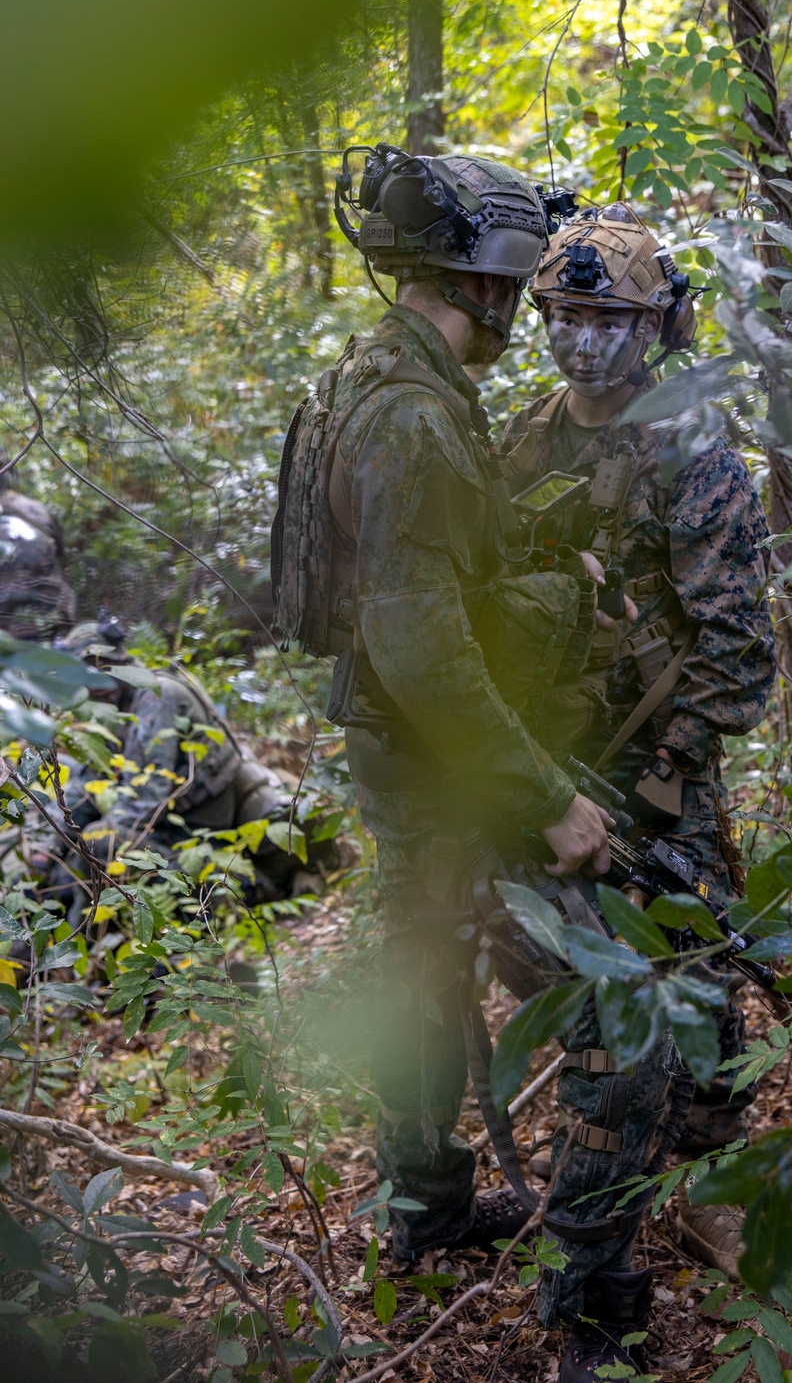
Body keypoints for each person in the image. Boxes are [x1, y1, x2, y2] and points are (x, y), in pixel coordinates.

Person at [270, 149, 614, 1285]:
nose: (518, 305)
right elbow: (422, 645)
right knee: (479, 976)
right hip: (426, 751)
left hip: (398, 737)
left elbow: (427, 580)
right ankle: (452, 1214)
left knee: (423, 971)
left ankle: (423, 1206)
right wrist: (547, 795)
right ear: (483, 280)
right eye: (513, 282)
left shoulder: (373, 380)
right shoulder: (410, 417)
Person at [500, 203, 777, 1375]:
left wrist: (663, 781)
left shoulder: (693, 448)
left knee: (703, 979)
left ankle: (713, 1185)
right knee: (612, 1032)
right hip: (546, 774)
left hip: (660, 776)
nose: (580, 342)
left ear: (655, 324)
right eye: (562, 315)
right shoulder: (521, 441)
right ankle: (592, 1290)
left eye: (605, 318)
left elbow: (738, 651)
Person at [33, 616, 305, 904]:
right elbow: (88, 783)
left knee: (98, 843)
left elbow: (146, 797)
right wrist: (47, 848)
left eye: (102, 668)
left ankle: (242, 892)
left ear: (121, 660)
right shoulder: (118, 705)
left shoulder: (155, 695)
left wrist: (86, 849)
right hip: (174, 820)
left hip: (198, 823)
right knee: (72, 862)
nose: (94, 681)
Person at [0, 483, 77, 642]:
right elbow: (60, 555)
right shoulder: (36, 509)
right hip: (49, 619)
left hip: (20, 624)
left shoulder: (34, 509)